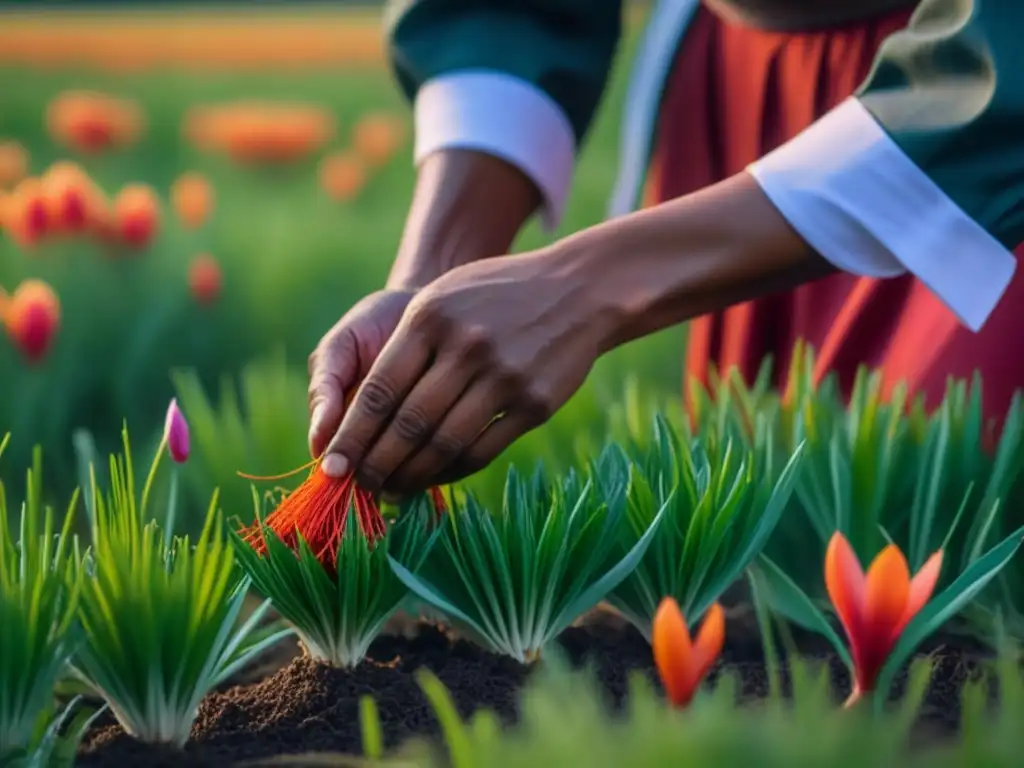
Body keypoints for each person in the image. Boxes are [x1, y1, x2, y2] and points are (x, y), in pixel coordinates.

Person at [307, 0, 1024, 498]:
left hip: (969, 138)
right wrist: (429, 285)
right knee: (766, 567)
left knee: (955, 565)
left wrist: (587, 285)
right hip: (747, 89)